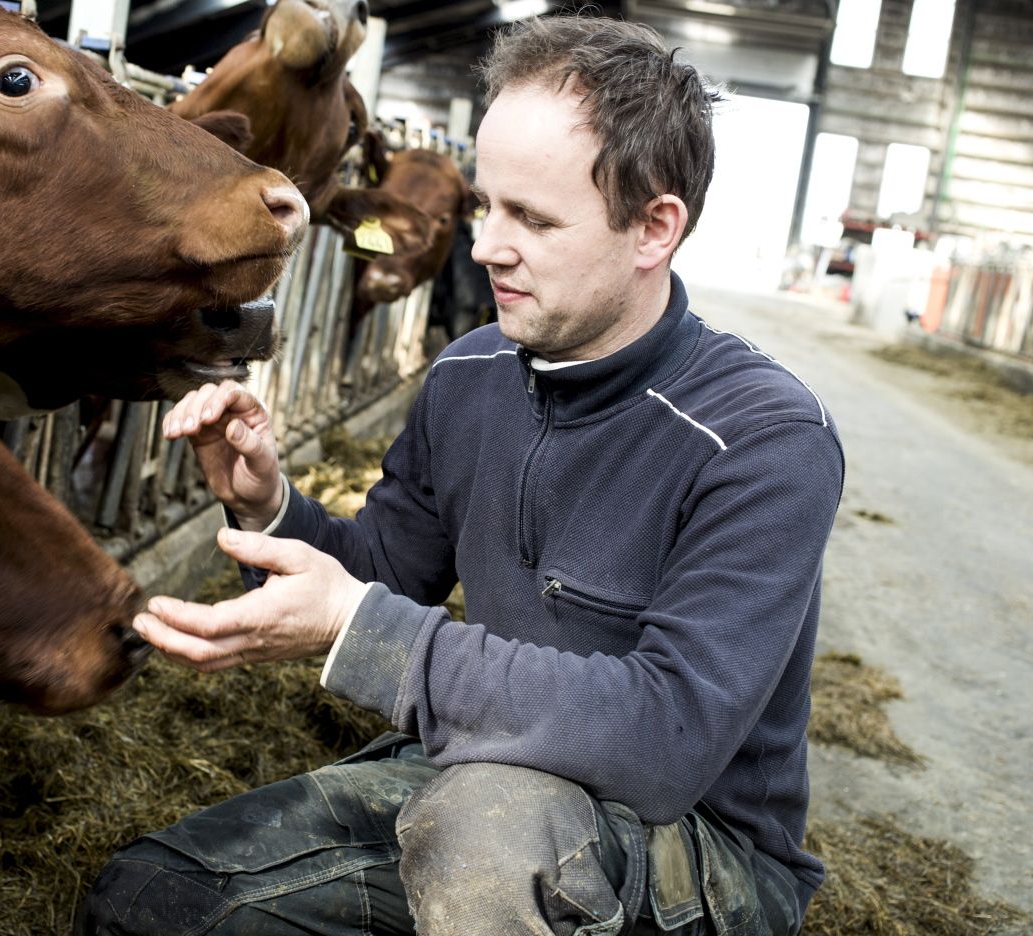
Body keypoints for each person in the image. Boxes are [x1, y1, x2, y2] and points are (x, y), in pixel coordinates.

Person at [77, 14, 843, 936]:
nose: (484, 247)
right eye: (488, 206)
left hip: (698, 846)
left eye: (534, 218)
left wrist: (372, 635)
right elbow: (383, 578)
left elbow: (664, 739)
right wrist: (269, 503)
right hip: (480, 779)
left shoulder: (765, 440)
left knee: (483, 841)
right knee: (151, 897)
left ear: (654, 228)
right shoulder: (471, 374)